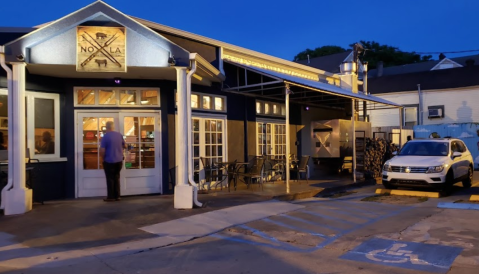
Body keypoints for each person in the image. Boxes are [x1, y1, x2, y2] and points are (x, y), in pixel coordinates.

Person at [100, 121, 126, 202]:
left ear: (106, 127)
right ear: (113, 127)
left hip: (109, 161)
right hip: (119, 161)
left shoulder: (105, 137)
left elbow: (102, 150)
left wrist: (102, 158)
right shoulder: (119, 135)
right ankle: (117, 196)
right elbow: (125, 145)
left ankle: (111, 197)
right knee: (116, 177)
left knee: (110, 178)